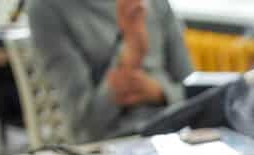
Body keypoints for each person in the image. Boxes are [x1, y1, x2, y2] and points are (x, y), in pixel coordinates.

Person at [28, 0, 193, 143]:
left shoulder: (156, 4)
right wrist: (130, 55)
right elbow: (84, 126)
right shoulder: (47, 8)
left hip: (176, 136)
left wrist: (159, 92)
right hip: (107, 145)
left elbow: (195, 92)